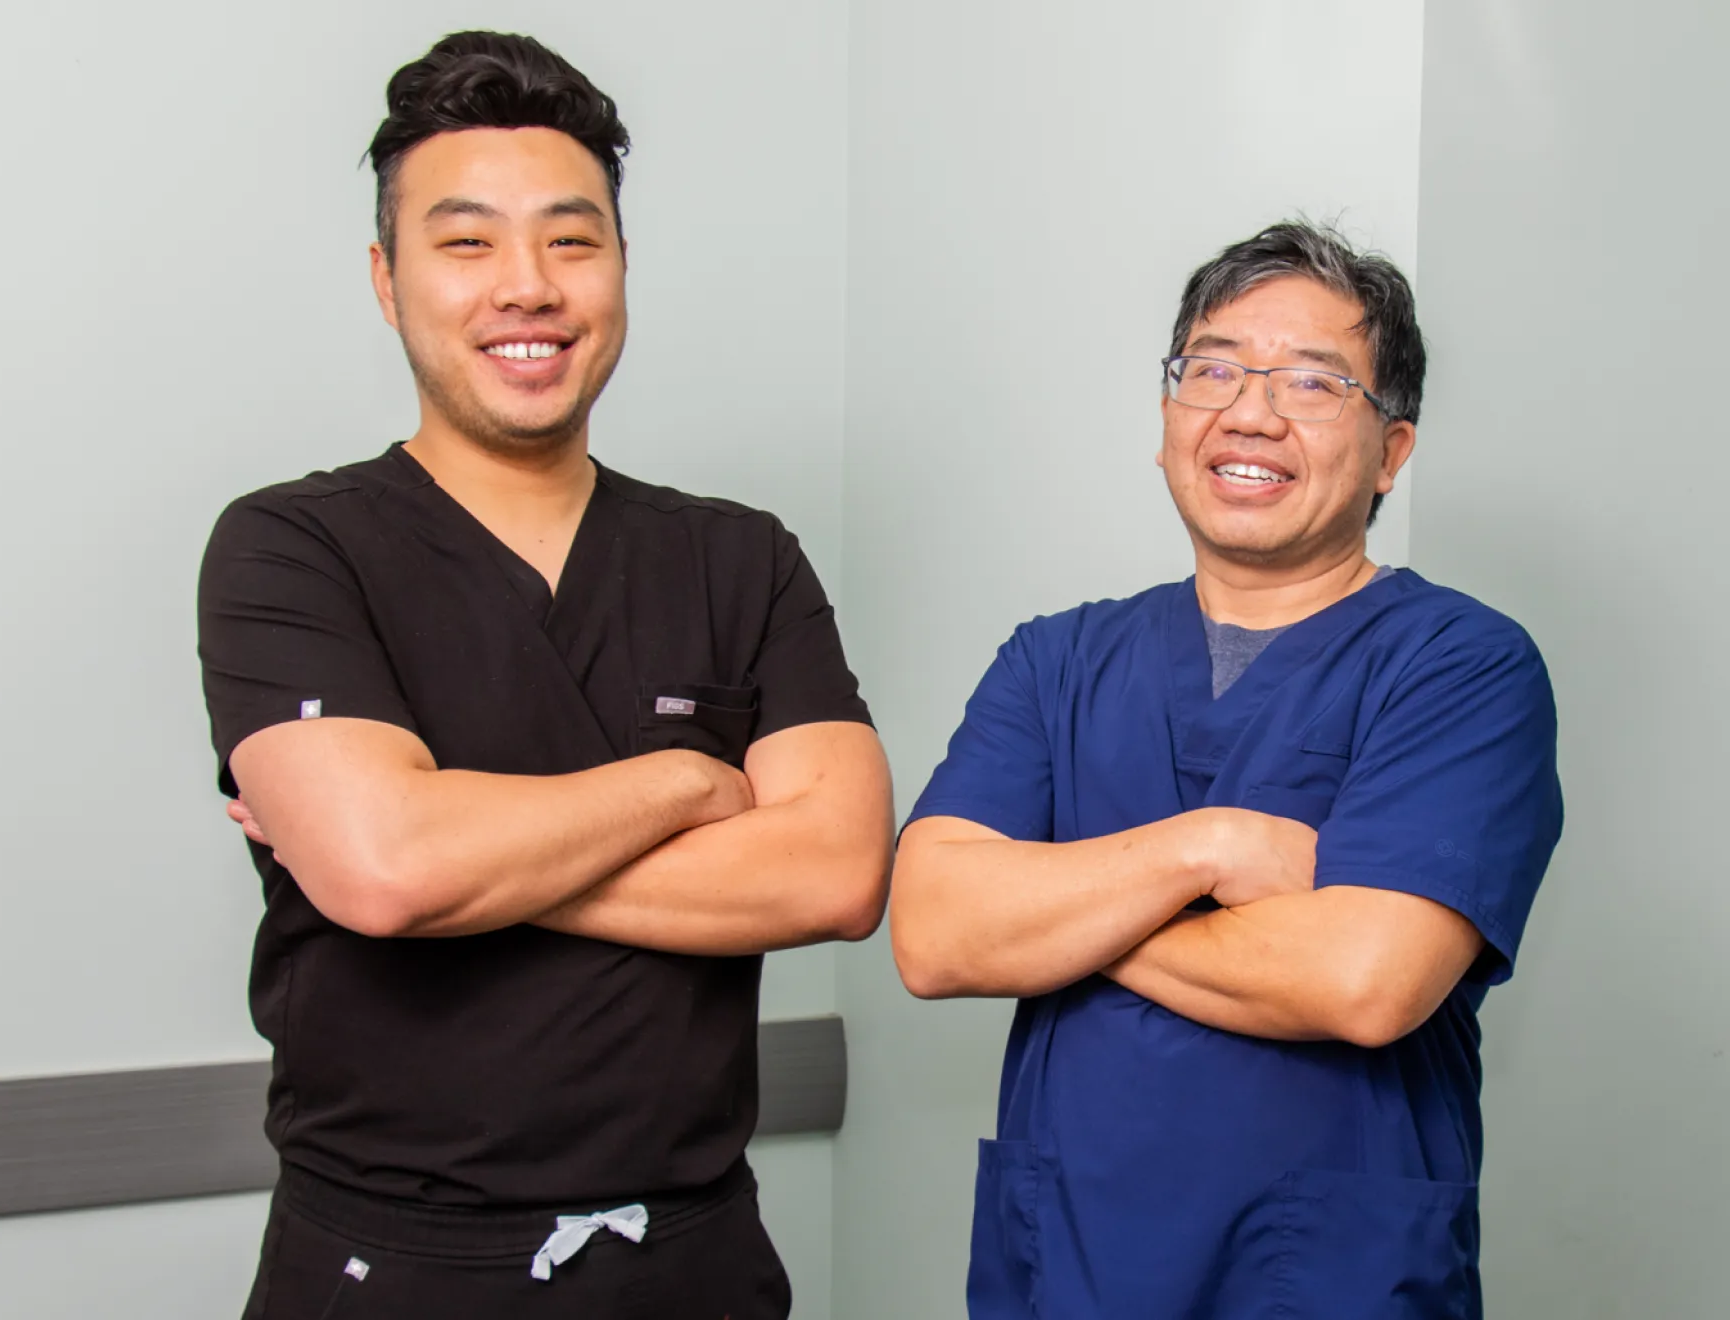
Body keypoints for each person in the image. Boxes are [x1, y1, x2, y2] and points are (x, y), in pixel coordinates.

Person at [197, 31, 892, 1319]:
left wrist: (447, 854)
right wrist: (688, 783)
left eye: (571, 240)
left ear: (620, 268)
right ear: (386, 279)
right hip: (389, 1268)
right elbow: (388, 867)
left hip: (695, 1263)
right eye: (465, 243)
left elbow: (840, 873)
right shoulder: (290, 547)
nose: (527, 285)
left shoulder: (737, 559)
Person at [890, 221, 1562, 1318]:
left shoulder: (1459, 665)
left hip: (1323, 1277)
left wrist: (1061, 917)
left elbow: (1365, 979)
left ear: (1391, 449)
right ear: (1164, 419)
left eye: (1310, 381)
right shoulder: (1053, 658)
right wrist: (1213, 845)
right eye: (1211, 369)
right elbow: (930, 933)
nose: (1247, 412)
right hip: (1067, 1265)